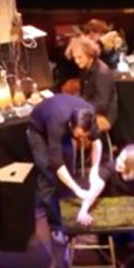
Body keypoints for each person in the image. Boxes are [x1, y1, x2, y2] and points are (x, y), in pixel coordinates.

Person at [27, 94, 106, 245]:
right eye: (79, 136)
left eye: (84, 136)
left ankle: (68, 214)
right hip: (38, 130)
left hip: (62, 124)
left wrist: (94, 170)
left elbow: (96, 141)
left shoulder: (89, 114)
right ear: (71, 125)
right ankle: (56, 226)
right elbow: (57, 164)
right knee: (49, 176)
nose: (82, 140)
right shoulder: (56, 123)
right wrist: (77, 189)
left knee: (68, 171)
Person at [67, 35, 118, 137]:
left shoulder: (102, 73)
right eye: (75, 58)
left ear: (90, 54)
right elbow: (84, 93)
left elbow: (102, 103)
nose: (77, 61)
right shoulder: (84, 68)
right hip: (88, 109)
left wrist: (80, 107)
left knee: (69, 125)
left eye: (80, 57)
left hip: (104, 115)